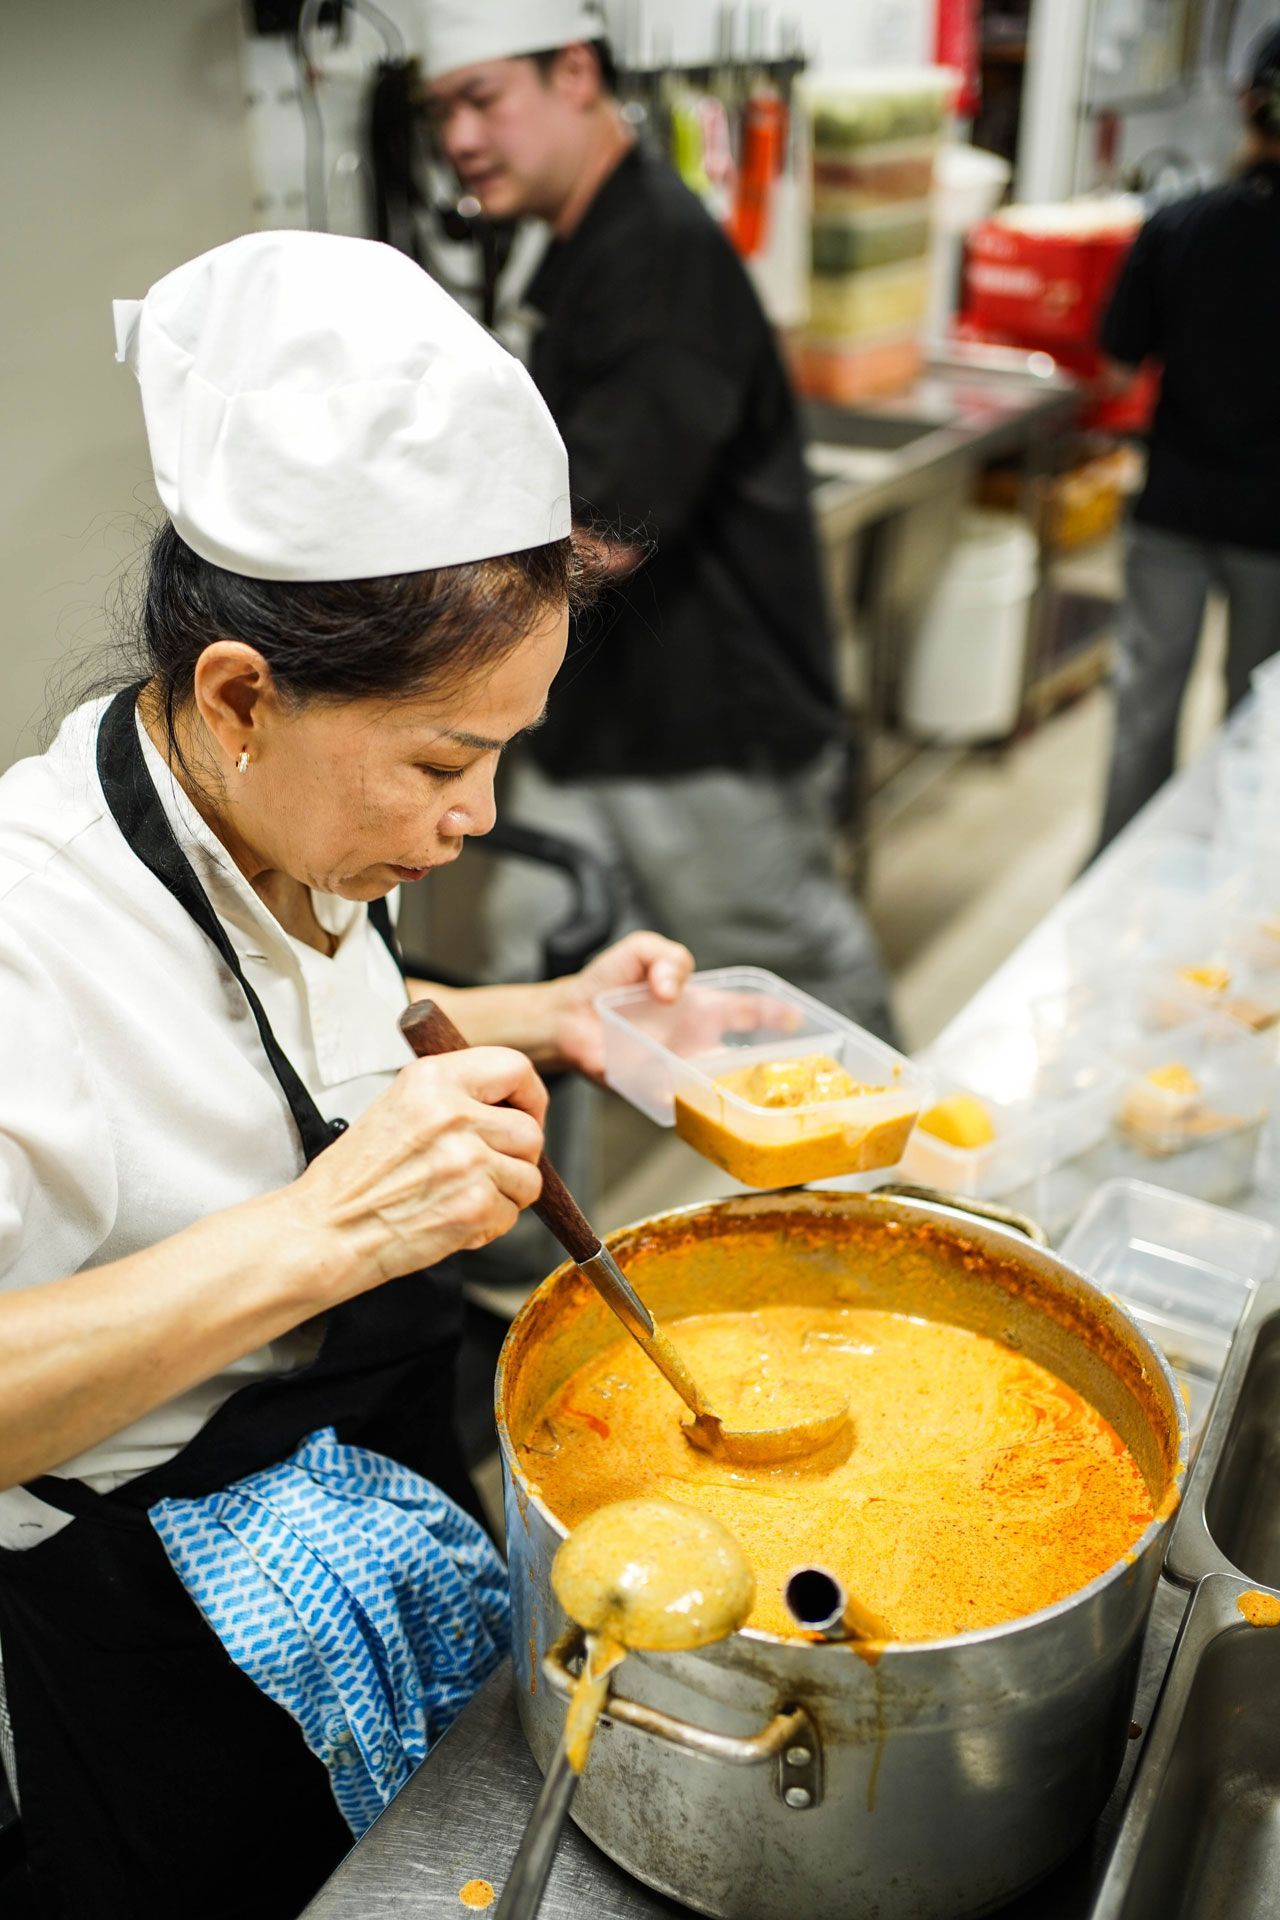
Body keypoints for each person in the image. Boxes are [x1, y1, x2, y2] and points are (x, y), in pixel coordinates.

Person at [0, 228, 692, 1920]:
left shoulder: (259, 817)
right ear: (240, 693)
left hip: (359, 1473)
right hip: (159, 1615)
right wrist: (330, 1232)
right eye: (444, 762)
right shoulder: (28, 939)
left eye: (501, 757)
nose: (474, 819)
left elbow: (282, 1020)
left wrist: (542, 1013)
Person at [422, 1, 900, 1041]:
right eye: (439, 111)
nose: (458, 138)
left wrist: (421, 638)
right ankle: (526, 1209)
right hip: (588, 713)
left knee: (787, 995)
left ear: (577, 75)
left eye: (481, 97)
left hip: (701, 728)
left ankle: (903, 1194)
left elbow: (603, 528)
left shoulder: (655, 254)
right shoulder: (578, 248)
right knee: (544, 978)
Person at [1095, 21, 1280, 849]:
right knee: (1257, 721)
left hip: (1174, 506)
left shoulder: (1183, 224)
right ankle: (1227, 899)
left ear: (1247, 103)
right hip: (1273, 529)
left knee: (1143, 711)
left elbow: (1117, 371)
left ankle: (1108, 886)